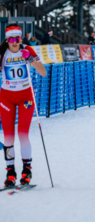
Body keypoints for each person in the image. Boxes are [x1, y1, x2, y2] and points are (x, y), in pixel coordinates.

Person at [0, 24, 47, 187]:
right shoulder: (2, 53)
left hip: (26, 97)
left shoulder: (27, 50)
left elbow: (43, 72)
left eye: (18, 39)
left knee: (22, 134)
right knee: (8, 136)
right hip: (6, 98)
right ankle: (10, 173)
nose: (15, 42)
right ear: (7, 40)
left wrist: (31, 60)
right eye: (12, 39)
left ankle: (27, 170)